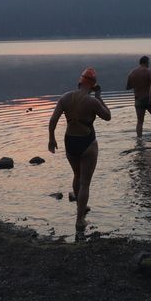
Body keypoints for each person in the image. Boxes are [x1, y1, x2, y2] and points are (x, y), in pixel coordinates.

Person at [48, 67, 111, 231]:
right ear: (93, 85)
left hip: (70, 142)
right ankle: (79, 220)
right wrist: (99, 97)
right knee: (85, 183)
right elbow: (108, 116)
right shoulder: (93, 101)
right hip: (87, 142)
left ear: (80, 82)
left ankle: (80, 208)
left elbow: (53, 120)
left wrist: (51, 139)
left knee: (77, 175)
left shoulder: (65, 97)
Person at [125, 55, 151, 137]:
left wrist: (137, 84)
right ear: (146, 62)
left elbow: (128, 87)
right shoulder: (148, 71)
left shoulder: (132, 73)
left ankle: (139, 139)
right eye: (148, 62)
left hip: (138, 100)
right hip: (148, 99)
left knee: (140, 121)